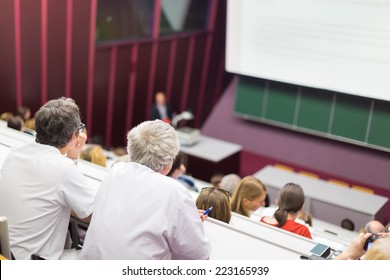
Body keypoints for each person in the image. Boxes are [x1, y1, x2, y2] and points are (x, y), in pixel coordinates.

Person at [80, 120, 211, 260]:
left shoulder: (116, 171)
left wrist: (183, 217)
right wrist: (188, 221)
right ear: (168, 163)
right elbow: (200, 255)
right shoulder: (175, 191)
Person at [0, 97, 97, 260]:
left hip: (7, 254)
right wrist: (72, 158)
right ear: (73, 136)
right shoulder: (63, 169)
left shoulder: (15, 152)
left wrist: (72, 157)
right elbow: (93, 213)